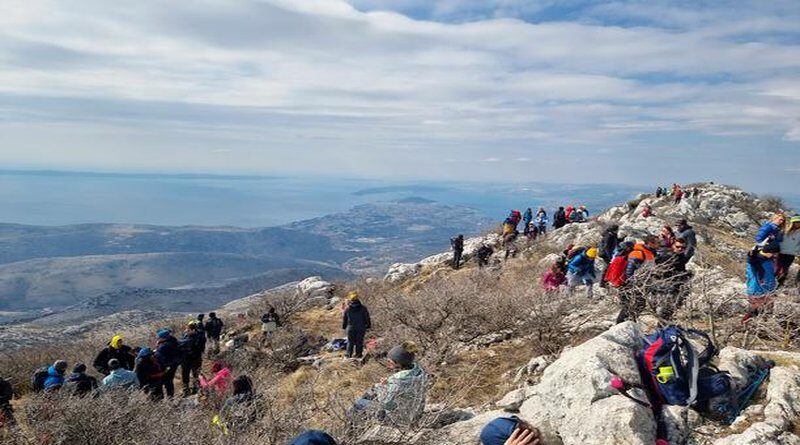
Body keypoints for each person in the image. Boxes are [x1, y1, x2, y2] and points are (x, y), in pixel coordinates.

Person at [353, 342, 427, 426]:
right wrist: (387, 384)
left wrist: (384, 386)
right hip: (415, 412)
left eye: (390, 360)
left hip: (400, 418)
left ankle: (353, 431)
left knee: (358, 404)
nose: (388, 362)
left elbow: (387, 404)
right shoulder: (419, 372)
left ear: (398, 363)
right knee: (372, 390)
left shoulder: (399, 380)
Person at [653, 238, 692, 320]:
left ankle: (665, 323)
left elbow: (680, 269)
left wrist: (685, 274)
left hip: (677, 284)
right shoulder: (667, 256)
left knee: (674, 306)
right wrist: (680, 275)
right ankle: (662, 326)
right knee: (667, 308)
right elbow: (662, 271)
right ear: (673, 246)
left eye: (683, 248)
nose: (680, 249)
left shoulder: (680, 256)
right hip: (667, 285)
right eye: (678, 247)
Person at [744, 243, 780, 322]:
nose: (775, 256)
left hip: (762, 288)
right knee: (757, 308)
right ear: (770, 252)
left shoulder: (764, 259)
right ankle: (749, 323)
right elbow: (755, 275)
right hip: (758, 289)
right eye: (775, 253)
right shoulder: (756, 262)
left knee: (765, 307)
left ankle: (761, 322)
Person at [181, 320, 206, 396]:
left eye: (188, 330)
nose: (186, 331)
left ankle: (196, 388)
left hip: (195, 358)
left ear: (193, 330)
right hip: (186, 359)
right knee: (185, 374)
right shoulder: (186, 335)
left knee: (196, 373)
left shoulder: (199, 337)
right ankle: (186, 389)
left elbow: (200, 348)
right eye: (186, 330)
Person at [155, 328, 182, 398]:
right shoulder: (173, 340)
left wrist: (157, 349)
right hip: (174, 364)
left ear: (163, 338)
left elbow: (159, 357)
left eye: (158, 337)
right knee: (170, 380)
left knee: (167, 381)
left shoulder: (163, 347)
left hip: (167, 366)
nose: (157, 339)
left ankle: (170, 398)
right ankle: (171, 397)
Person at [342, 292, 371, 359]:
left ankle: (348, 355)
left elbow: (345, 319)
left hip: (350, 328)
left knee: (350, 342)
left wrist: (344, 326)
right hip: (361, 327)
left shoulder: (347, 309)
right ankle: (358, 355)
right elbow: (367, 317)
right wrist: (368, 325)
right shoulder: (363, 308)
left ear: (350, 300)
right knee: (359, 342)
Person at [778, 216, 800, 286]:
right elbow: (778, 240)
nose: (797, 224)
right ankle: (771, 284)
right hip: (780, 253)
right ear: (792, 222)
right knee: (777, 269)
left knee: (784, 270)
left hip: (791, 254)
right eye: (796, 222)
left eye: (799, 222)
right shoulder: (784, 230)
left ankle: (779, 285)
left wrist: (798, 253)